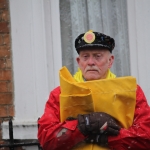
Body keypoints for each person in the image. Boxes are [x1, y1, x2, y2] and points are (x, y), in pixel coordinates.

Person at [38, 30, 150, 150]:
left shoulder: (132, 91)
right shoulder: (59, 93)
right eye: (85, 57)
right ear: (79, 62)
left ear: (110, 61)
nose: (91, 62)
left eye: (97, 56)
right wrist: (83, 125)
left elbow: (145, 138)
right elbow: (47, 139)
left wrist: (104, 139)